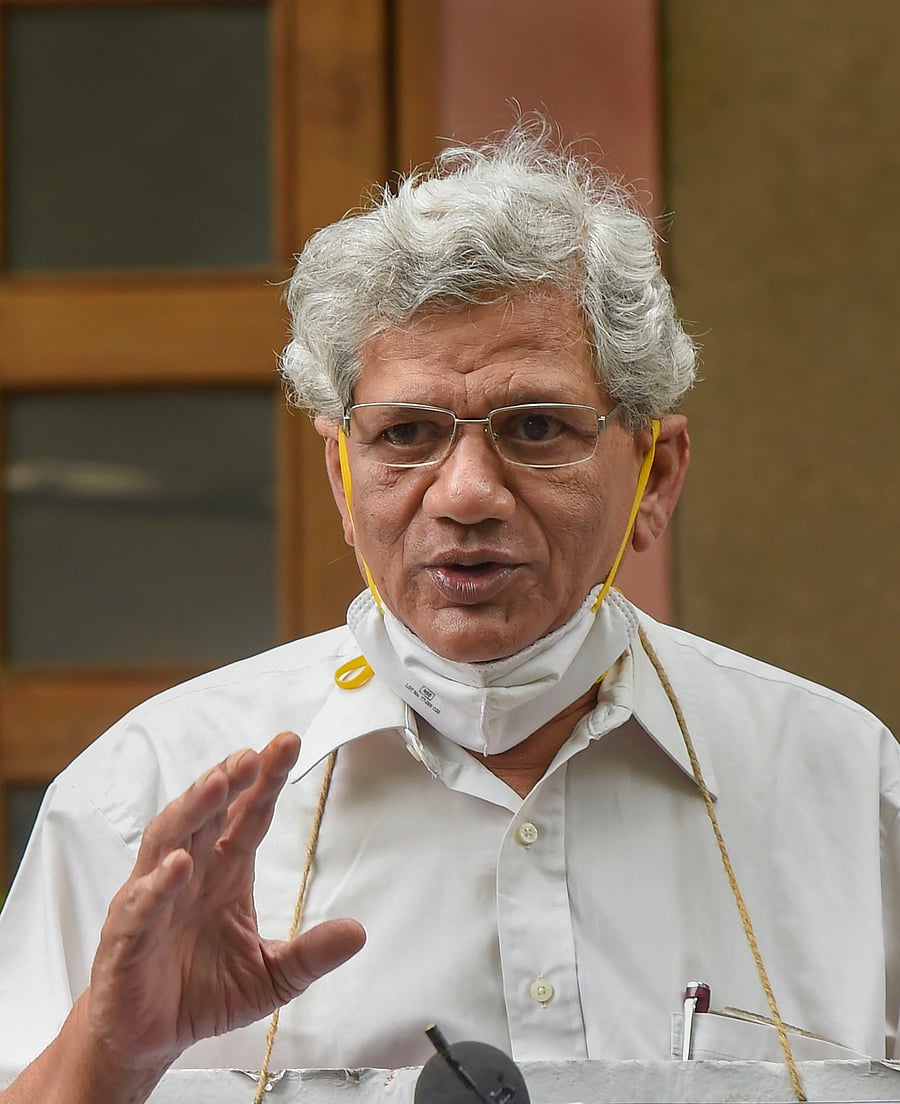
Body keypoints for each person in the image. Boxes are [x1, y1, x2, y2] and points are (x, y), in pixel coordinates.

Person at [1, 117, 897, 1104]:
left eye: (537, 426)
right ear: (342, 478)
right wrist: (106, 1058)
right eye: (408, 433)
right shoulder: (148, 806)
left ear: (656, 474)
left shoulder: (847, 796)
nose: (466, 492)